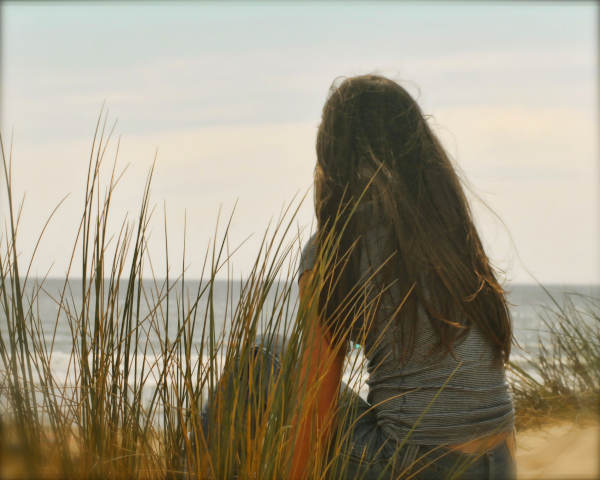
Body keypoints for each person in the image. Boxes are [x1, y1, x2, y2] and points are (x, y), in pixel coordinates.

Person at [288, 74, 516, 479]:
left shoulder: (334, 249)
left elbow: (314, 406)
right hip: (499, 465)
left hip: (414, 467)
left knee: (259, 359)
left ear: (333, 159)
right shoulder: (452, 240)